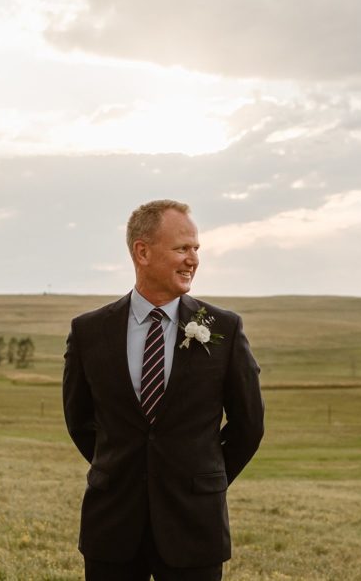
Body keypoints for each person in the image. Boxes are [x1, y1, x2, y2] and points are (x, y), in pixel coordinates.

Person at [63, 199, 265, 581]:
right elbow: (79, 421)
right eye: (182, 248)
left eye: (196, 249)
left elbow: (249, 425)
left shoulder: (224, 328)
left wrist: (203, 479)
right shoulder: (89, 332)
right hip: (112, 527)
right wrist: (123, 471)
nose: (193, 259)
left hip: (195, 525)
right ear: (143, 251)